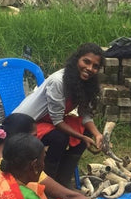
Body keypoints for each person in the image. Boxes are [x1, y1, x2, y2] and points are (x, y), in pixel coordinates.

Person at [13, 43, 105, 187]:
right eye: (86, 62)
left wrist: (97, 134)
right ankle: (48, 183)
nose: (89, 68)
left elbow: (84, 114)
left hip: (48, 120)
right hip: (24, 125)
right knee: (60, 138)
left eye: (95, 66)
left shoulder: (86, 83)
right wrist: (82, 137)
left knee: (85, 129)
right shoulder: (59, 81)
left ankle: (63, 179)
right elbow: (57, 121)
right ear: (76, 60)